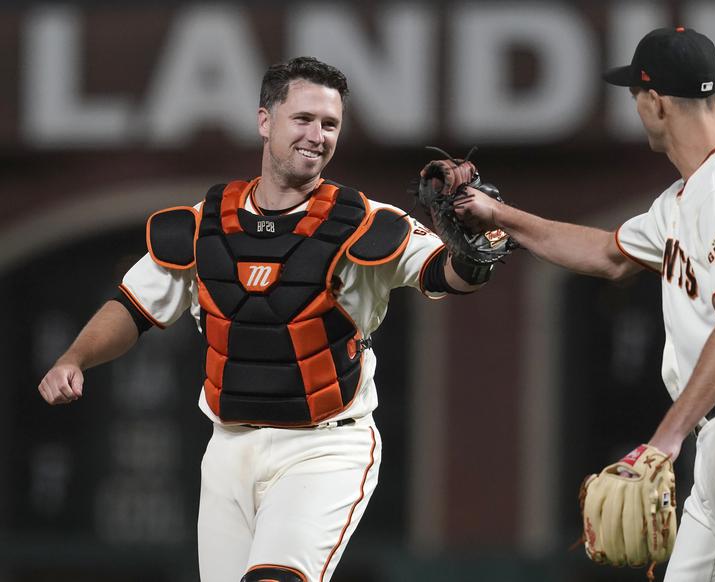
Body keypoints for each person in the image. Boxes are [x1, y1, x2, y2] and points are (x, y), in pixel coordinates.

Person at [37, 57, 494, 582]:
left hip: (324, 446)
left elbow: (448, 275)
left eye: (330, 124)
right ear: (264, 121)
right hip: (228, 447)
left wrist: (474, 250)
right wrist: (75, 358)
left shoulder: (364, 223)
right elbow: (134, 306)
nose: (317, 135)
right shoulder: (206, 225)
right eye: (302, 119)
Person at [456, 27, 715, 581]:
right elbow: (608, 255)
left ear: (655, 102)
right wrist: (500, 217)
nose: (636, 107)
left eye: (635, 96)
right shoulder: (684, 198)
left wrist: (665, 440)